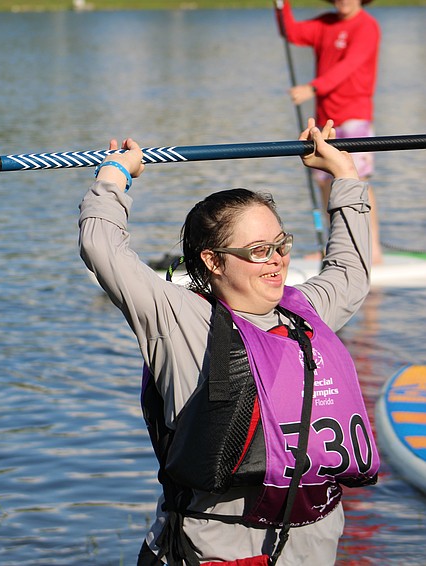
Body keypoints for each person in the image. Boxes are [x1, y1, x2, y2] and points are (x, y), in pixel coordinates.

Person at [79, 119, 380, 566]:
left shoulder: (304, 311)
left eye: (281, 244)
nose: (277, 261)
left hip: (313, 544)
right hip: (219, 549)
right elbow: (102, 247)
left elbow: (351, 271)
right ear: (213, 261)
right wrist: (113, 177)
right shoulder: (180, 321)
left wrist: (344, 176)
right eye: (259, 251)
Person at [278, 0, 382, 263]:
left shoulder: (367, 27)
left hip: (355, 115)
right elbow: (290, 32)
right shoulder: (325, 23)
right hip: (326, 119)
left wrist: (311, 88)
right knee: (325, 180)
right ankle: (334, 247)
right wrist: (281, 5)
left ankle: (372, 249)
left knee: (356, 180)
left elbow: (348, 66)